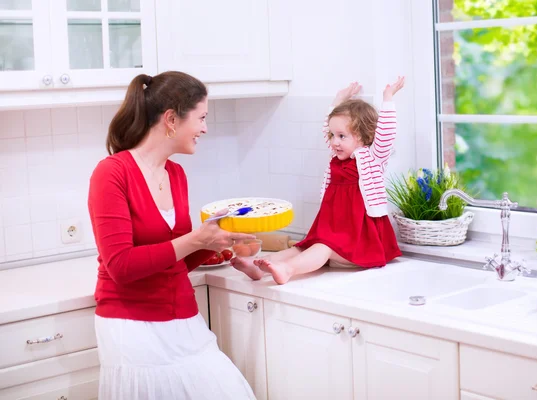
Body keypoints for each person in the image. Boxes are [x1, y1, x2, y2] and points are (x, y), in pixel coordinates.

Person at [88, 71, 257, 400]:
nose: (205, 128)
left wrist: (222, 240)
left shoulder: (176, 174)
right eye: (202, 117)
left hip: (183, 318)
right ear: (170, 119)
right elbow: (121, 265)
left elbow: (173, 259)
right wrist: (197, 239)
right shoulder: (111, 173)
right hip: (132, 326)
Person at [232, 77, 405, 285]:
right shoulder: (336, 157)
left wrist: (388, 99)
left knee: (322, 248)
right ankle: (261, 265)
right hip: (333, 229)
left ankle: (287, 269)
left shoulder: (371, 159)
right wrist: (339, 100)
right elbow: (329, 128)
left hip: (359, 242)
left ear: (364, 136)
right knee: (302, 247)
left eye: (342, 136)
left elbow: (385, 135)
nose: (334, 142)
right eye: (333, 135)